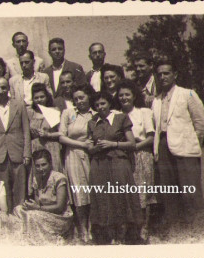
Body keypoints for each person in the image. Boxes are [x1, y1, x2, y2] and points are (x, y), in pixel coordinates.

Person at [151, 59, 204, 239]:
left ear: (175, 74)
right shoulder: (156, 100)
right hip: (163, 146)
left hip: (185, 149)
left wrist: (191, 143)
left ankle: (201, 231)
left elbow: (201, 123)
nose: (162, 77)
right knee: (169, 192)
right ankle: (178, 230)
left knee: (190, 190)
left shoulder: (188, 94)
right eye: (159, 74)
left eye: (166, 73)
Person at [87, 91, 142, 245]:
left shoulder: (120, 118)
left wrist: (113, 144)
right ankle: (109, 236)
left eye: (103, 103)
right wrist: (95, 147)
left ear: (109, 103)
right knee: (104, 199)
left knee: (120, 197)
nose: (100, 107)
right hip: (99, 164)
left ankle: (124, 235)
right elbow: (90, 148)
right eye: (97, 105)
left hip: (118, 161)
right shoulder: (92, 122)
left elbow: (132, 144)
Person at [116, 79, 156, 240]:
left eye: (127, 94)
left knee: (143, 194)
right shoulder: (115, 114)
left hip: (141, 155)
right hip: (123, 157)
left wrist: (134, 147)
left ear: (133, 96)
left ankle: (144, 229)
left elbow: (150, 138)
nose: (124, 98)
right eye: (121, 95)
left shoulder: (143, 112)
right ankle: (127, 230)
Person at [0, 77, 31, 213]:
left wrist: (27, 152)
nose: (0, 91)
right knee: (3, 190)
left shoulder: (19, 105)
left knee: (19, 188)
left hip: (17, 152)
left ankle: (20, 217)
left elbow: (26, 130)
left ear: (8, 89)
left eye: (3, 87)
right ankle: (8, 217)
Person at [59, 83, 95, 243]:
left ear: (89, 96)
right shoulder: (68, 113)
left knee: (93, 190)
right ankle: (83, 229)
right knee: (79, 193)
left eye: (82, 97)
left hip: (93, 156)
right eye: (76, 99)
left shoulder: (95, 113)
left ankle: (93, 226)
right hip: (73, 155)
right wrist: (82, 145)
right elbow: (61, 137)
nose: (79, 101)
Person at [14, 149, 73, 245]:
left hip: (60, 217)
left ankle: (38, 240)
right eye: (37, 166)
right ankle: (27, 237)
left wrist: (37, 208)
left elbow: (60, 207)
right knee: (18, 209)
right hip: (43, 213)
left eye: (43, 164)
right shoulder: (36, 179)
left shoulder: (59, 178)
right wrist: (29, 206)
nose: (41, 168)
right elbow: (38, 203)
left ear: (50, 163)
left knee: (31, 215)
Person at [27, 83, 63, 193]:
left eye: (42, 97)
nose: (39, 100)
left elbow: (61, 132)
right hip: (36, 148)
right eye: (36, 97)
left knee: (53, 175)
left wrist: (48, 134)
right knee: (38, 177)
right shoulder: (30, 112)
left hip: (52, 147)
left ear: (47, 97)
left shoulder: (53, 110)